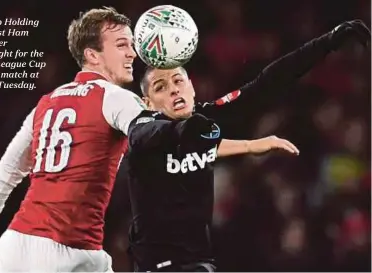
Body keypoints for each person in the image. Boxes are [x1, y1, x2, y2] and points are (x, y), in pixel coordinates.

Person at [124, 19, 370, 272]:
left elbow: (267, 84)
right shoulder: (144, 129)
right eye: (161, 87)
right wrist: (249, 145)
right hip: (157, 266)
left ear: (192, 88)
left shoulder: (205, 120)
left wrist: (326, 42)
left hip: (200, 262)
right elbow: (148, 135)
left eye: (178, 81)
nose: (174, 91)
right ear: (148, 103)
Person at [0, 7, 147, 272]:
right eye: (121, 45)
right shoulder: (118, 98)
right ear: (92, 55)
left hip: (21, 245)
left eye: (131, 45)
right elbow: (156, 141)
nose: (132, 53)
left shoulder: (45, 104)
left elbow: (3, 177)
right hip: (67, 253)